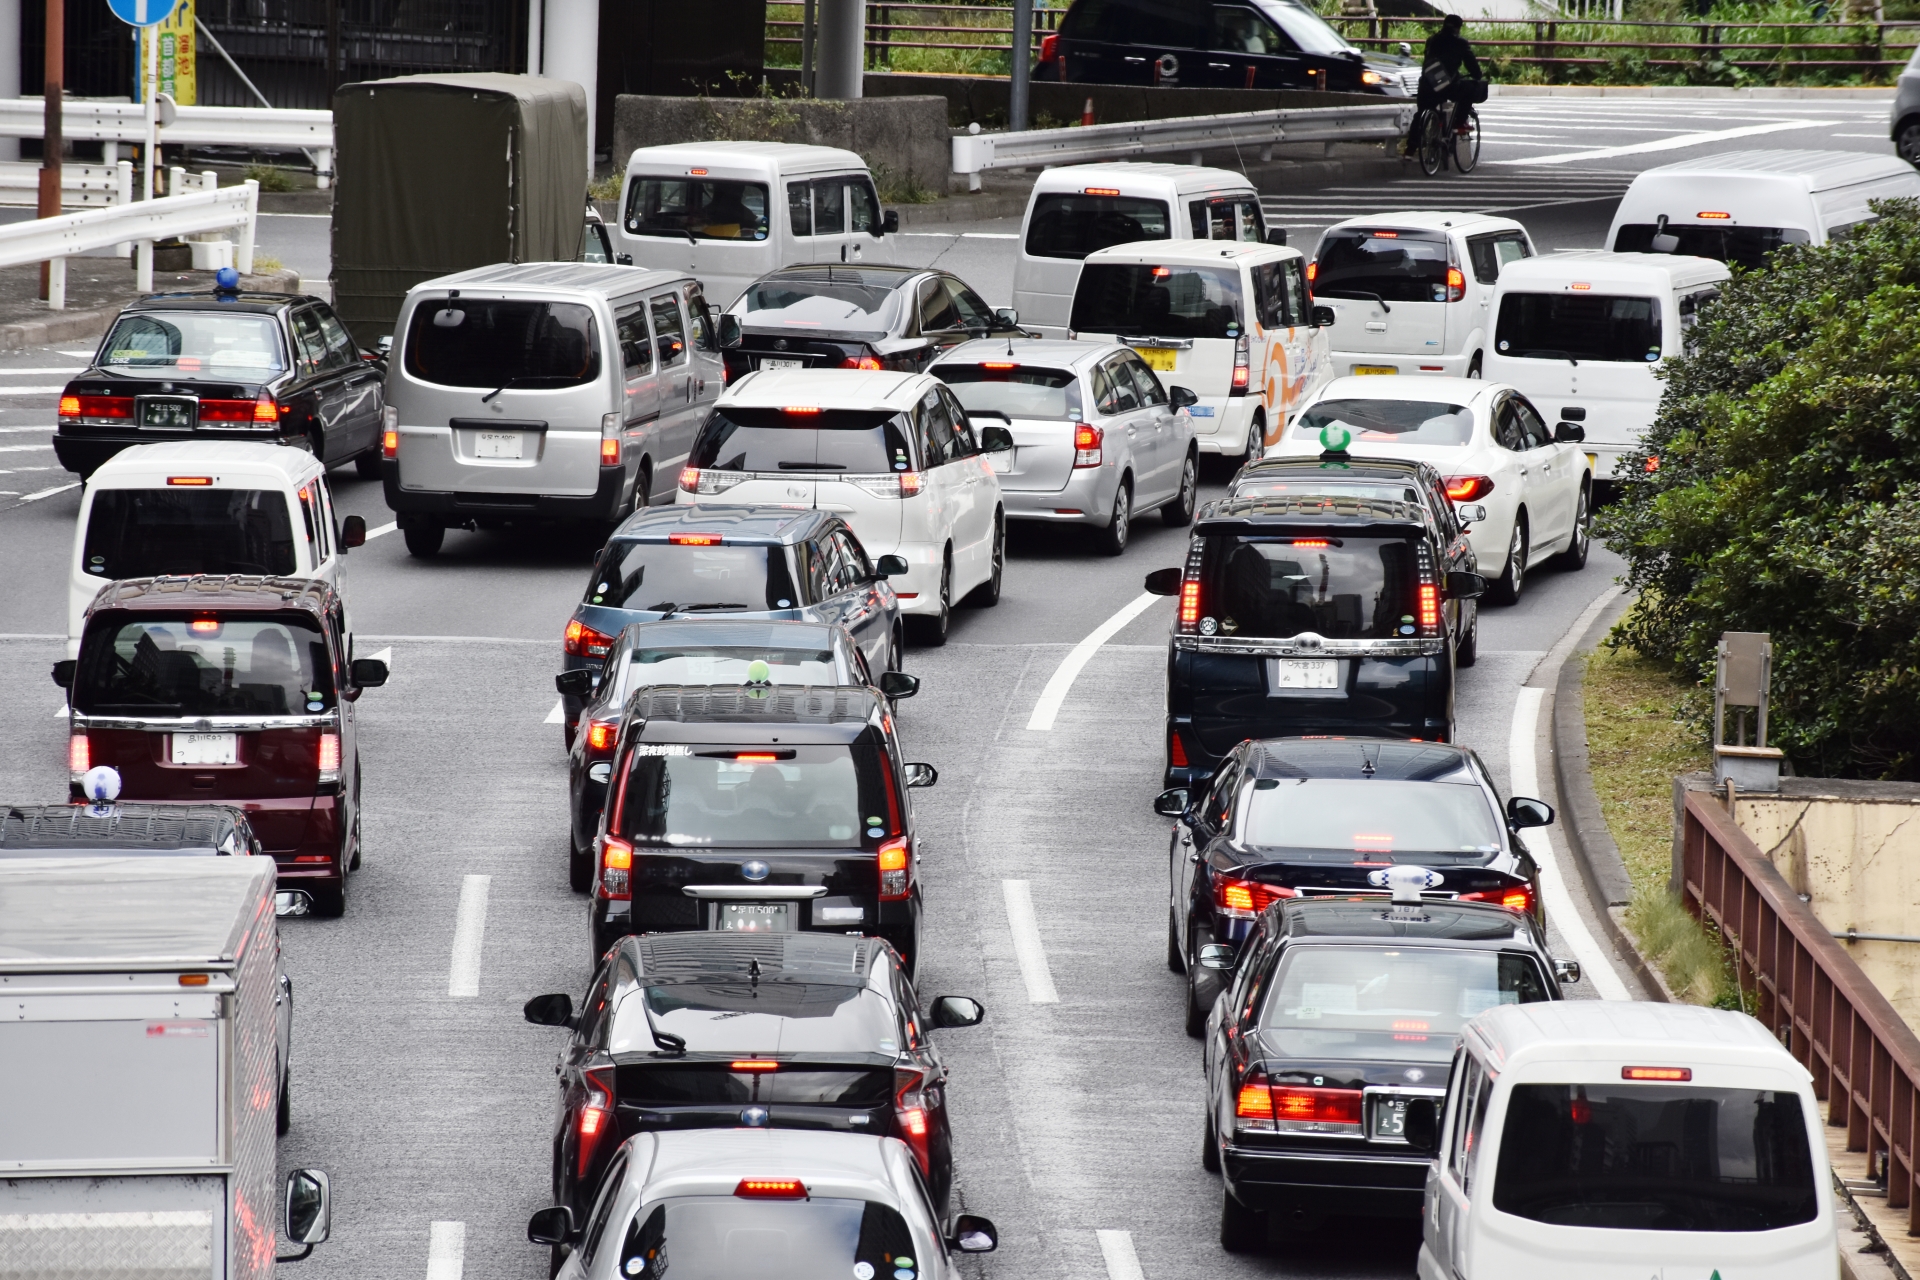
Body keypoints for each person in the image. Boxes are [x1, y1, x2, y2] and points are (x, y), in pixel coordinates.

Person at [1404, 14, 1484, 154]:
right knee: (1469, 89)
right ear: (1458, 28)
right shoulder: (1460, 43)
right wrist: (1477, 75)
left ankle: (1410, 149)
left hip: (1427, 84)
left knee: (1421, 113)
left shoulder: (1432, 40)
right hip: (1448, 86)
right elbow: (1471, 64)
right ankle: (1460, 122)